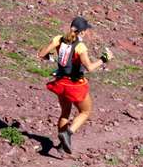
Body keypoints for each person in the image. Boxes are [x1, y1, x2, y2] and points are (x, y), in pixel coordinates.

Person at [38, 16, 109, 156]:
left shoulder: (58, 39)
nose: (87, 33)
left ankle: (61, 146)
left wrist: (51, 57)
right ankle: (68, 134)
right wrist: (104, 59)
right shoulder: (80, 47)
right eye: (86, 30)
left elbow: (41, 54)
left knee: (65, 112)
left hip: (60, 82)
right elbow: (89, 67)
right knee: (85, 112)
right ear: (82, 32)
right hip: (75, 85)